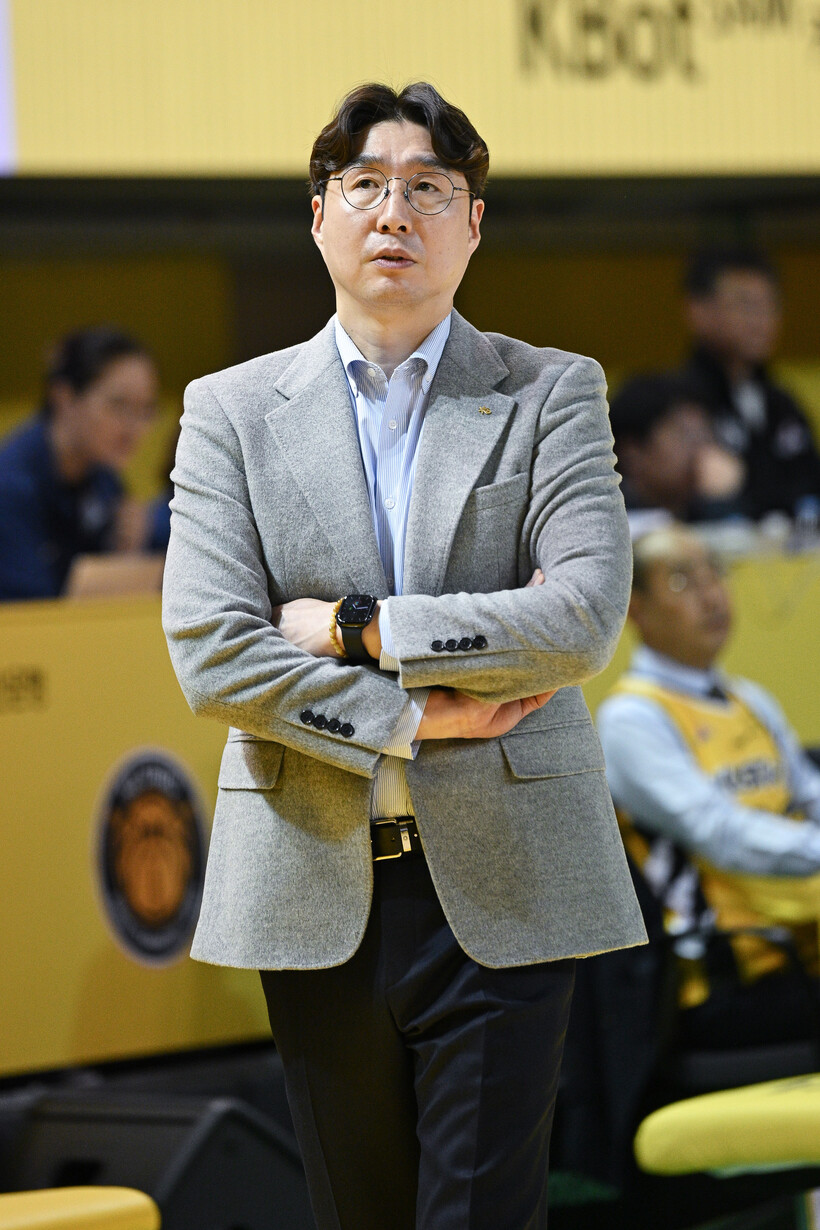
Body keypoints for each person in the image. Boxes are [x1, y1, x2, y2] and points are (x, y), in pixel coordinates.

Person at [162, 81, 645, 1230]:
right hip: (312, 870)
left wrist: (354, 627)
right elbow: (213, 653)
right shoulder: (231, 409)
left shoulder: (550, 390)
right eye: (365, 184)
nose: (394, 212)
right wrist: (412, 718)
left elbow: (580, 618)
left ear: (471, 224)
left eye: (428, 187)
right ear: (318, 215)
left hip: (512, 873)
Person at [598, 525, 820, 1050]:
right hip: (732, 973)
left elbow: (808, 794)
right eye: (682, 581)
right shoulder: (631, 719)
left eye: (714, 573)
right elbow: (719, 833)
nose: (711, 594)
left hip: (803, 946)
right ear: (635, 609)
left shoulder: (750, 699)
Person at [0, 326, 166, 601]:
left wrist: (131, 551)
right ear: (64, 397)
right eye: (119, 406)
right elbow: (29, 609)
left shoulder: (104, 478)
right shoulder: (10, 488)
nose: (135, 428)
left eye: (146, 410)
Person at [680, 246, 820, 521]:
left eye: (770, 305)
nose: (761, 320)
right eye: (745, 305)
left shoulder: (782, 403)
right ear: (698, 311)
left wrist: (745, 482)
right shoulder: (673, 403)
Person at [608, 371, 745, 531]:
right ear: (632, 454)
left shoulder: (695, 509)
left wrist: (721, 499)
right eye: (686, 435)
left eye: (705, 434)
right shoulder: (609, 521)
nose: (701, 450)